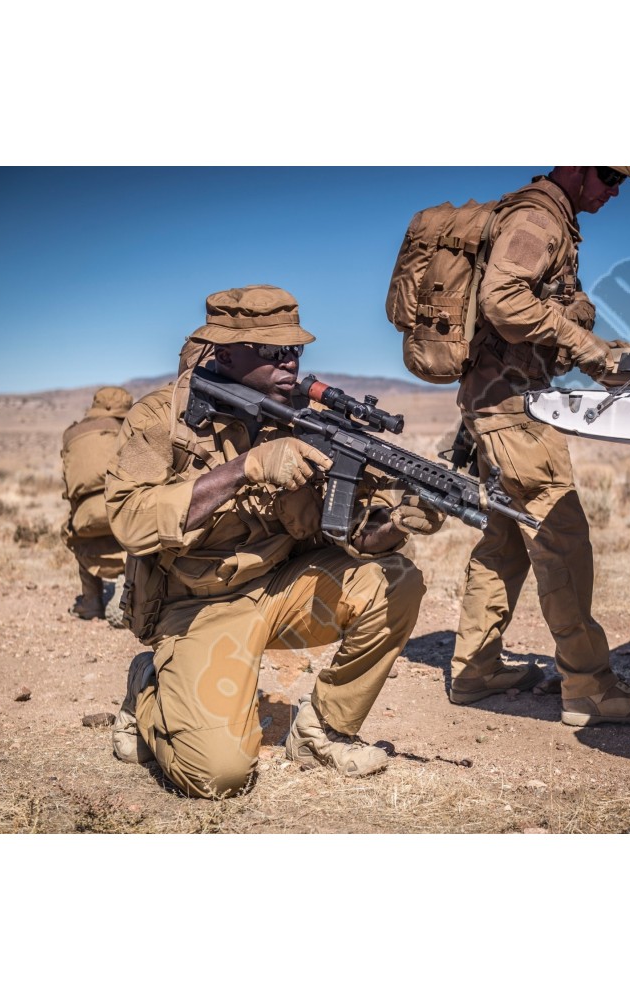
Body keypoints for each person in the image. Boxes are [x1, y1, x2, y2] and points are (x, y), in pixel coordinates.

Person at [104, 285, 439, 798]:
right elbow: (130, 521)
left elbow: (347, 532)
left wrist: (397, 524)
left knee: (395, 579)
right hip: (198, 605)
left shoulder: (306, 420)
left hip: (282, 589)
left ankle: (322, 734)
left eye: (294, 349)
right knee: (218, 777)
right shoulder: (160, 418)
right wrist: (245, 468)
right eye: (272, 350)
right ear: (225, 353)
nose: (289, 361)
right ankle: (149, 688)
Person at [449, 166, 630, 726]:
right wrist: (589, 350)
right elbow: (503, 301)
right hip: (512, 411)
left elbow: (537, 319)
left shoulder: (546, 218)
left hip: (496, 403)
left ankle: (475, 669)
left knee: (503, 542)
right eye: (608, 175)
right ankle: (590, 688)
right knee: (560, 538)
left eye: (621, 182)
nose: (613, 191)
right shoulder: (537, 219)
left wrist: (597, 349)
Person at [60, 385, 134, 622]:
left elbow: (68, 485)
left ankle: (91, 600)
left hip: (86, 520)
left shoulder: (72, 434)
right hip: (123, 515)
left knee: (72, 528)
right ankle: (129, 589)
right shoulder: (131, 429)